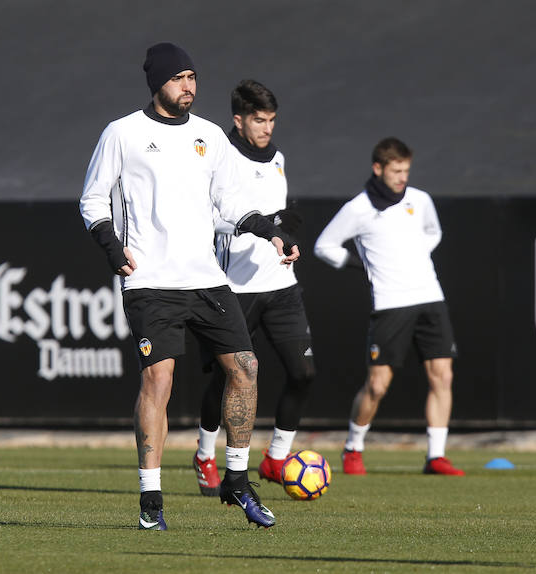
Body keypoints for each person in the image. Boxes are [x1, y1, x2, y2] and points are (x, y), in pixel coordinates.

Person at [80, 43, 299, 530]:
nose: (189, 86)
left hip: (206, 278)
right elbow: (92, 200)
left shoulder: (208, 137)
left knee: (245, 368)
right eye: (179, 77)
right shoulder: (123, 133)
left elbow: (229, 203)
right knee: (159, 379)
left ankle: (237, 482)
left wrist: (272, 231)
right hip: (150, 282)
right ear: (157, 82)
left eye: (193, 77)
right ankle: (151, 496)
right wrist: (113, 249)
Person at [192, 79, 315, 494]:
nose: (267, 128)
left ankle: (277, 458)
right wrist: (264, 226)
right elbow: (212, 218)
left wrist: (286, 225)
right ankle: (206, 456)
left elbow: (280, 213)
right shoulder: (220, 157)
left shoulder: (277, 157)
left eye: (272, 120)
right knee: (228, 379)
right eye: (258, 120)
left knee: (303, 374)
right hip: (234, 287)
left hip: (281, 287)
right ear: (238, 119)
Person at [314, 137, 463, 476]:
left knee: (442, 374)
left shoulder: (420, 200)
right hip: (390, 303)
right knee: (378, 384)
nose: (402, 178)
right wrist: (359, 265)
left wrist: (414, 256)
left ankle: (435, 456)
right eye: (396, 171)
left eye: (406, 170)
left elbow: (432, 233)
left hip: (429, 297)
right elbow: (324, 245)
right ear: (378, 168)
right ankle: (353, 447)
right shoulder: (359, 208)